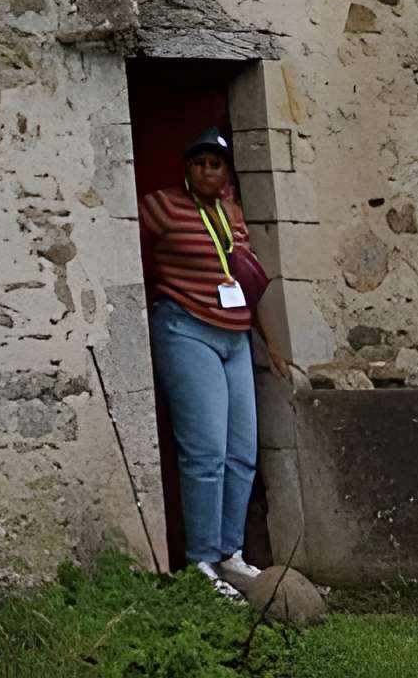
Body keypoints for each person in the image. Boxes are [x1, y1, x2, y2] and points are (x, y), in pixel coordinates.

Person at [140, 128, 289, 595]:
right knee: (205, 451)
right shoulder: (160, 206)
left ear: (227, 173)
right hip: (185, 328)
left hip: (236, 336)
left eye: (217, 164)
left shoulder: (234, 214)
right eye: (200, 162)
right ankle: (201, 560)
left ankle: (231, 554)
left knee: (242, 452)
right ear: (187, 169)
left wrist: (270, 343)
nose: (209, 170)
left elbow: (246, 278)